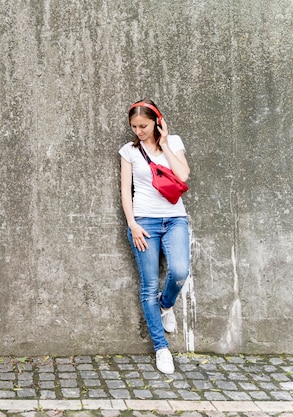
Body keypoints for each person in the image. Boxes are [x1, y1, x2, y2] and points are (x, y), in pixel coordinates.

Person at [119, 99, 191, 374]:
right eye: (134, 126)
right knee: (148, 285)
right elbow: (126, 190)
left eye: (144, 125)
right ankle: (161, 348)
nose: (138, 131)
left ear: (157, 121)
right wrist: (133, 224)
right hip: (144, 222)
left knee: (180, 271)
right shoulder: (129, 151)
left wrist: (165, 143)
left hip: (175, 220)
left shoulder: (174, 142)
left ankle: (166, 304)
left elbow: (183, 174)